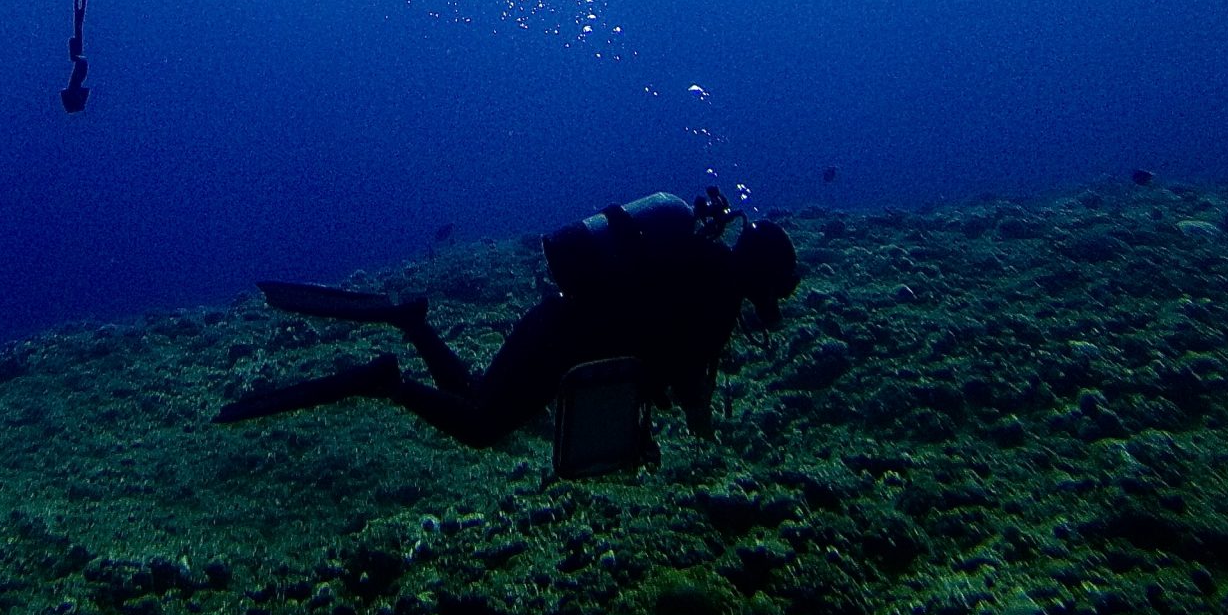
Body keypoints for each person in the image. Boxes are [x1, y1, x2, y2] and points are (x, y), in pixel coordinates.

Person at [214, 187, 799, 454]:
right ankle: (385, 381)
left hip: (558, 319)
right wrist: (704, 432)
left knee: (475, 398)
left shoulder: (701, 262)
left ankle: (411, 323)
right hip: (568, 344)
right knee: (480, 426)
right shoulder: (718, 295)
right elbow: (688, 376)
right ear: (764, 276)